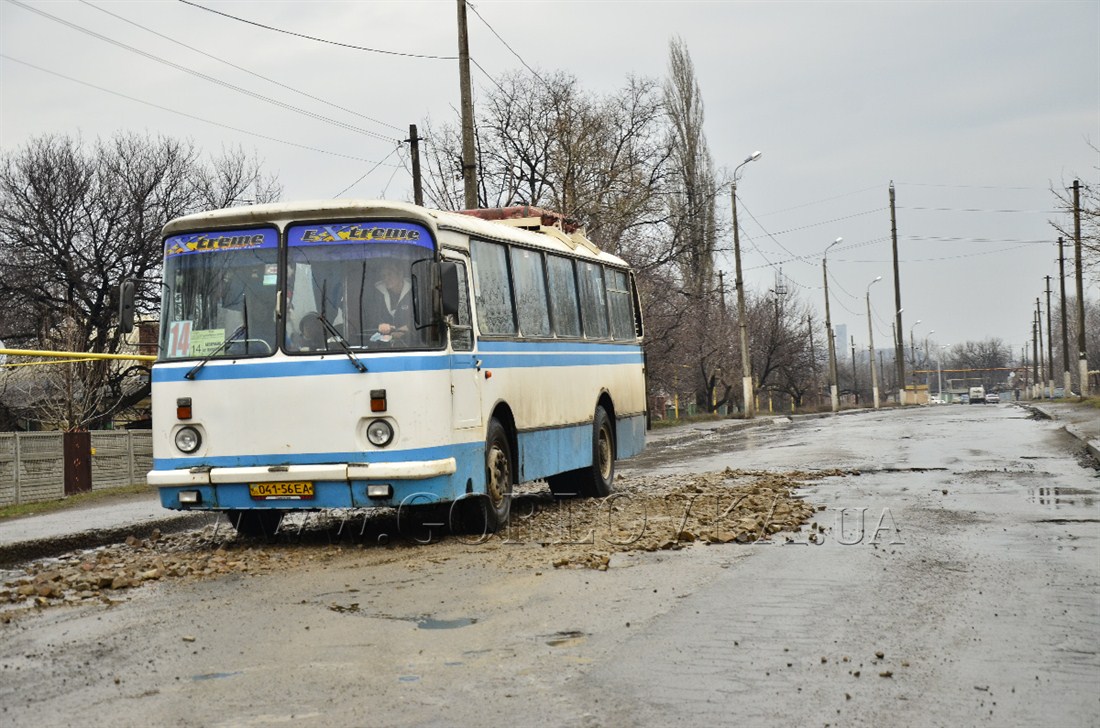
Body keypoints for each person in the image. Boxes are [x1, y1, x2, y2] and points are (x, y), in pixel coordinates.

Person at [369, 260, 413, 342]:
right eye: (383, 276)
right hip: (384, 344)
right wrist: (380, 325)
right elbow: (372, 318)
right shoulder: (377, 294)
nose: (386, 278)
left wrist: (406, 329)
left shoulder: (414, 292)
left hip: (412, 343)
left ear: (400, 274)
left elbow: (422, 320)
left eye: (390, 274)